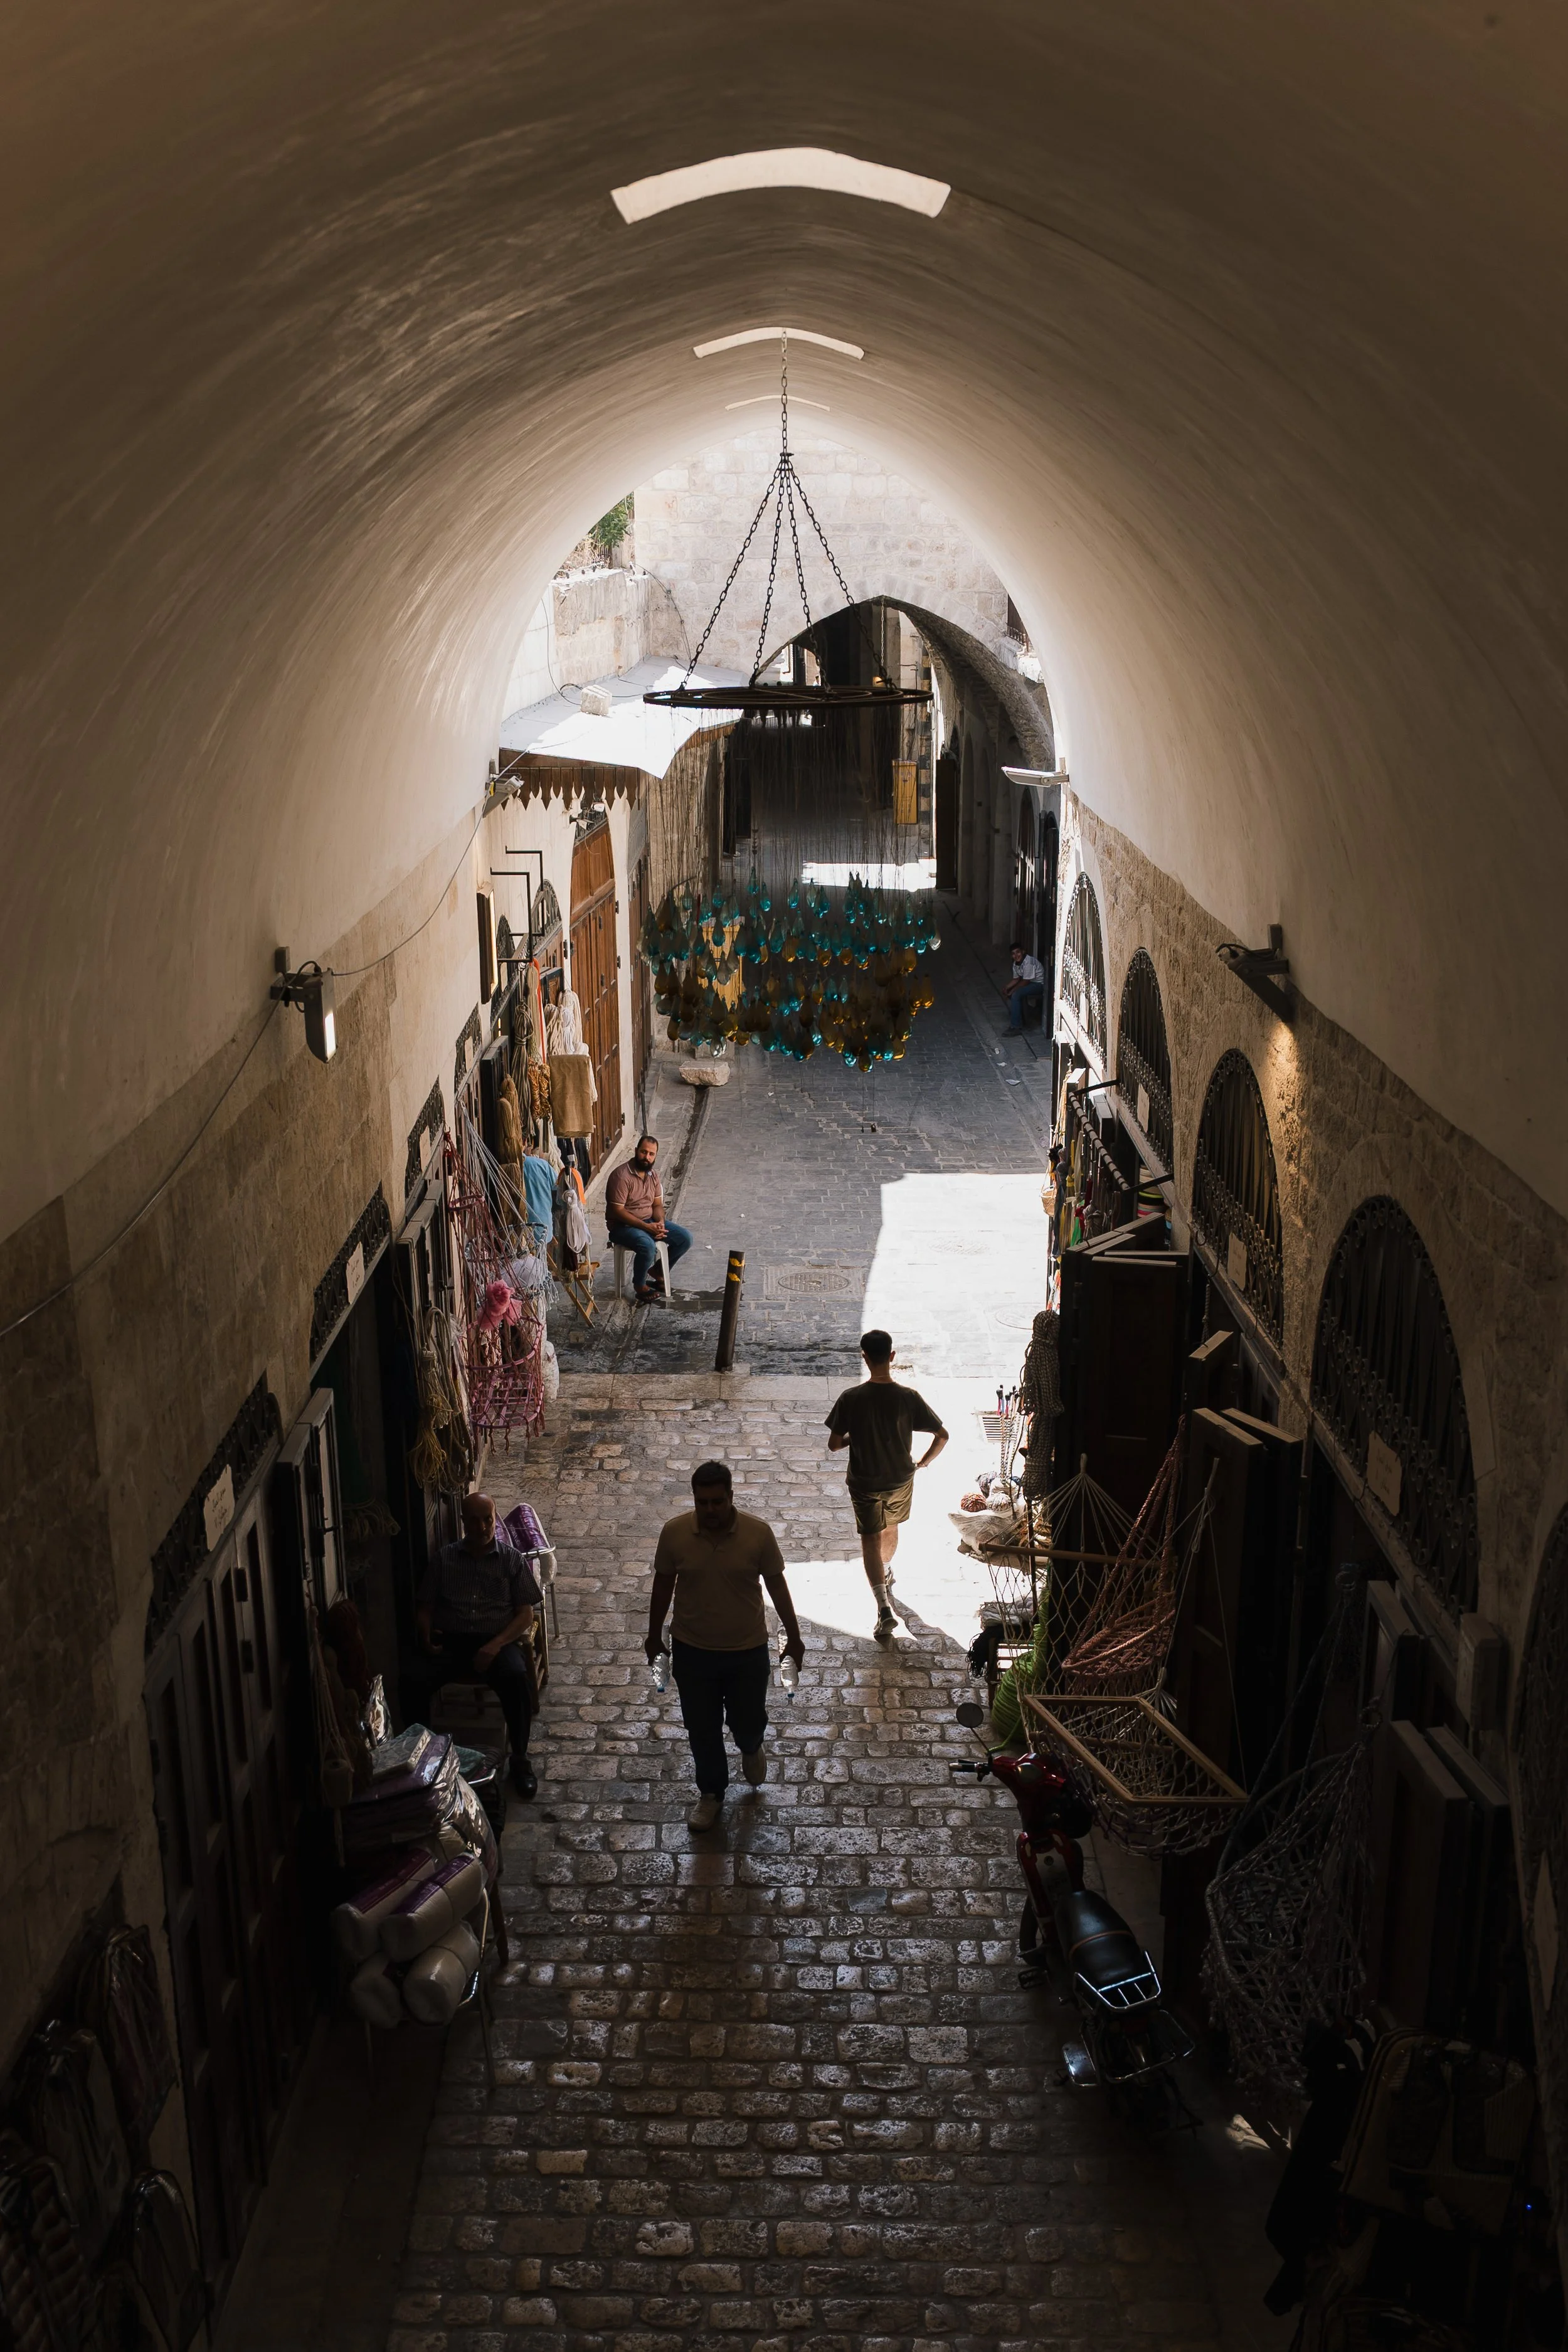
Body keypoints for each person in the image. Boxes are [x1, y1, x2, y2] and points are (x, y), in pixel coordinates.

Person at [646, 1461, 804, 1832]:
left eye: (718, 1501)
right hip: (693, 1650)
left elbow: (777, 1585)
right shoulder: (674, 1534)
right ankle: (711, 1793)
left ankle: (751, 1745)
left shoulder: (758, 1534)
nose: (711, 1510)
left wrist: (794, 1637)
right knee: (701, 1728)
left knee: (747, 1721)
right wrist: (654, 1636)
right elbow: (663, 1585)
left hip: (746, 1650)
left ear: (731, 1497)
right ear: (694, 1499)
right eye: (703, 1502)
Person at [407, 1490, 542, 1798]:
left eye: (488, 1520)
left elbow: (525, 1615)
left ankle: (520, 1759)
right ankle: (422, 1759)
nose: (482, 1528)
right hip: (453, 1642)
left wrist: (495, 1645)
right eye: (475, 1521)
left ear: (494, 1519)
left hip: (496, 1641)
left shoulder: (511, 1559)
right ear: (463, 1522)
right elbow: (426, 1605)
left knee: (517, 1679)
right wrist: (425, 1635)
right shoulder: (445, 1559)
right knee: (412, 1679)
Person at [825, 1331, 948, 1641]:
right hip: (899, 1479)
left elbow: (834, 1444)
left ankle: (883, 1607)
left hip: (865, 1481)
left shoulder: (851, 1398)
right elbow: (942, 1435)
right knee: (891, 1525)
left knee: (870, 1538)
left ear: (864, 1357)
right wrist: (923, 1462)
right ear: (892, 1357)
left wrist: (857, 1435)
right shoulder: (908, 1397)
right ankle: (887, 1568)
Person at [607, 1134, 693, 1301]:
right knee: (648, 1246)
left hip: (649, 1221)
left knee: (685, 1238)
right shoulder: (621, 1176)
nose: (647, 1157)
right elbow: (618, 1211)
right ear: (636, 1151)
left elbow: (657, 1205)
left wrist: (660, 1222)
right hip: (622, 1226)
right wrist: (646, 1227)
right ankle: (640, 1285)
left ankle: (658, 1271)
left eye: (651, 1154)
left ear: (655, 1156)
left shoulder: (653, 1175)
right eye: (644, 1152)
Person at [1004, 941, 1047, 1032]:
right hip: (1031, 983)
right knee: (1012, 993)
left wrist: (1012, 991)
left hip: (1039, 984)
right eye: (1013, 954)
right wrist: (1007, 988)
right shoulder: (1016, 964)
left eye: (1018, 952)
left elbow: (1025, 982)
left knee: (1016, 994)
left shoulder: (1028, 962)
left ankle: (1016, 1026)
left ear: (1023, 952)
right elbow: (1016, 979)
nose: (1016, 956)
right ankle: (1022, 1016)